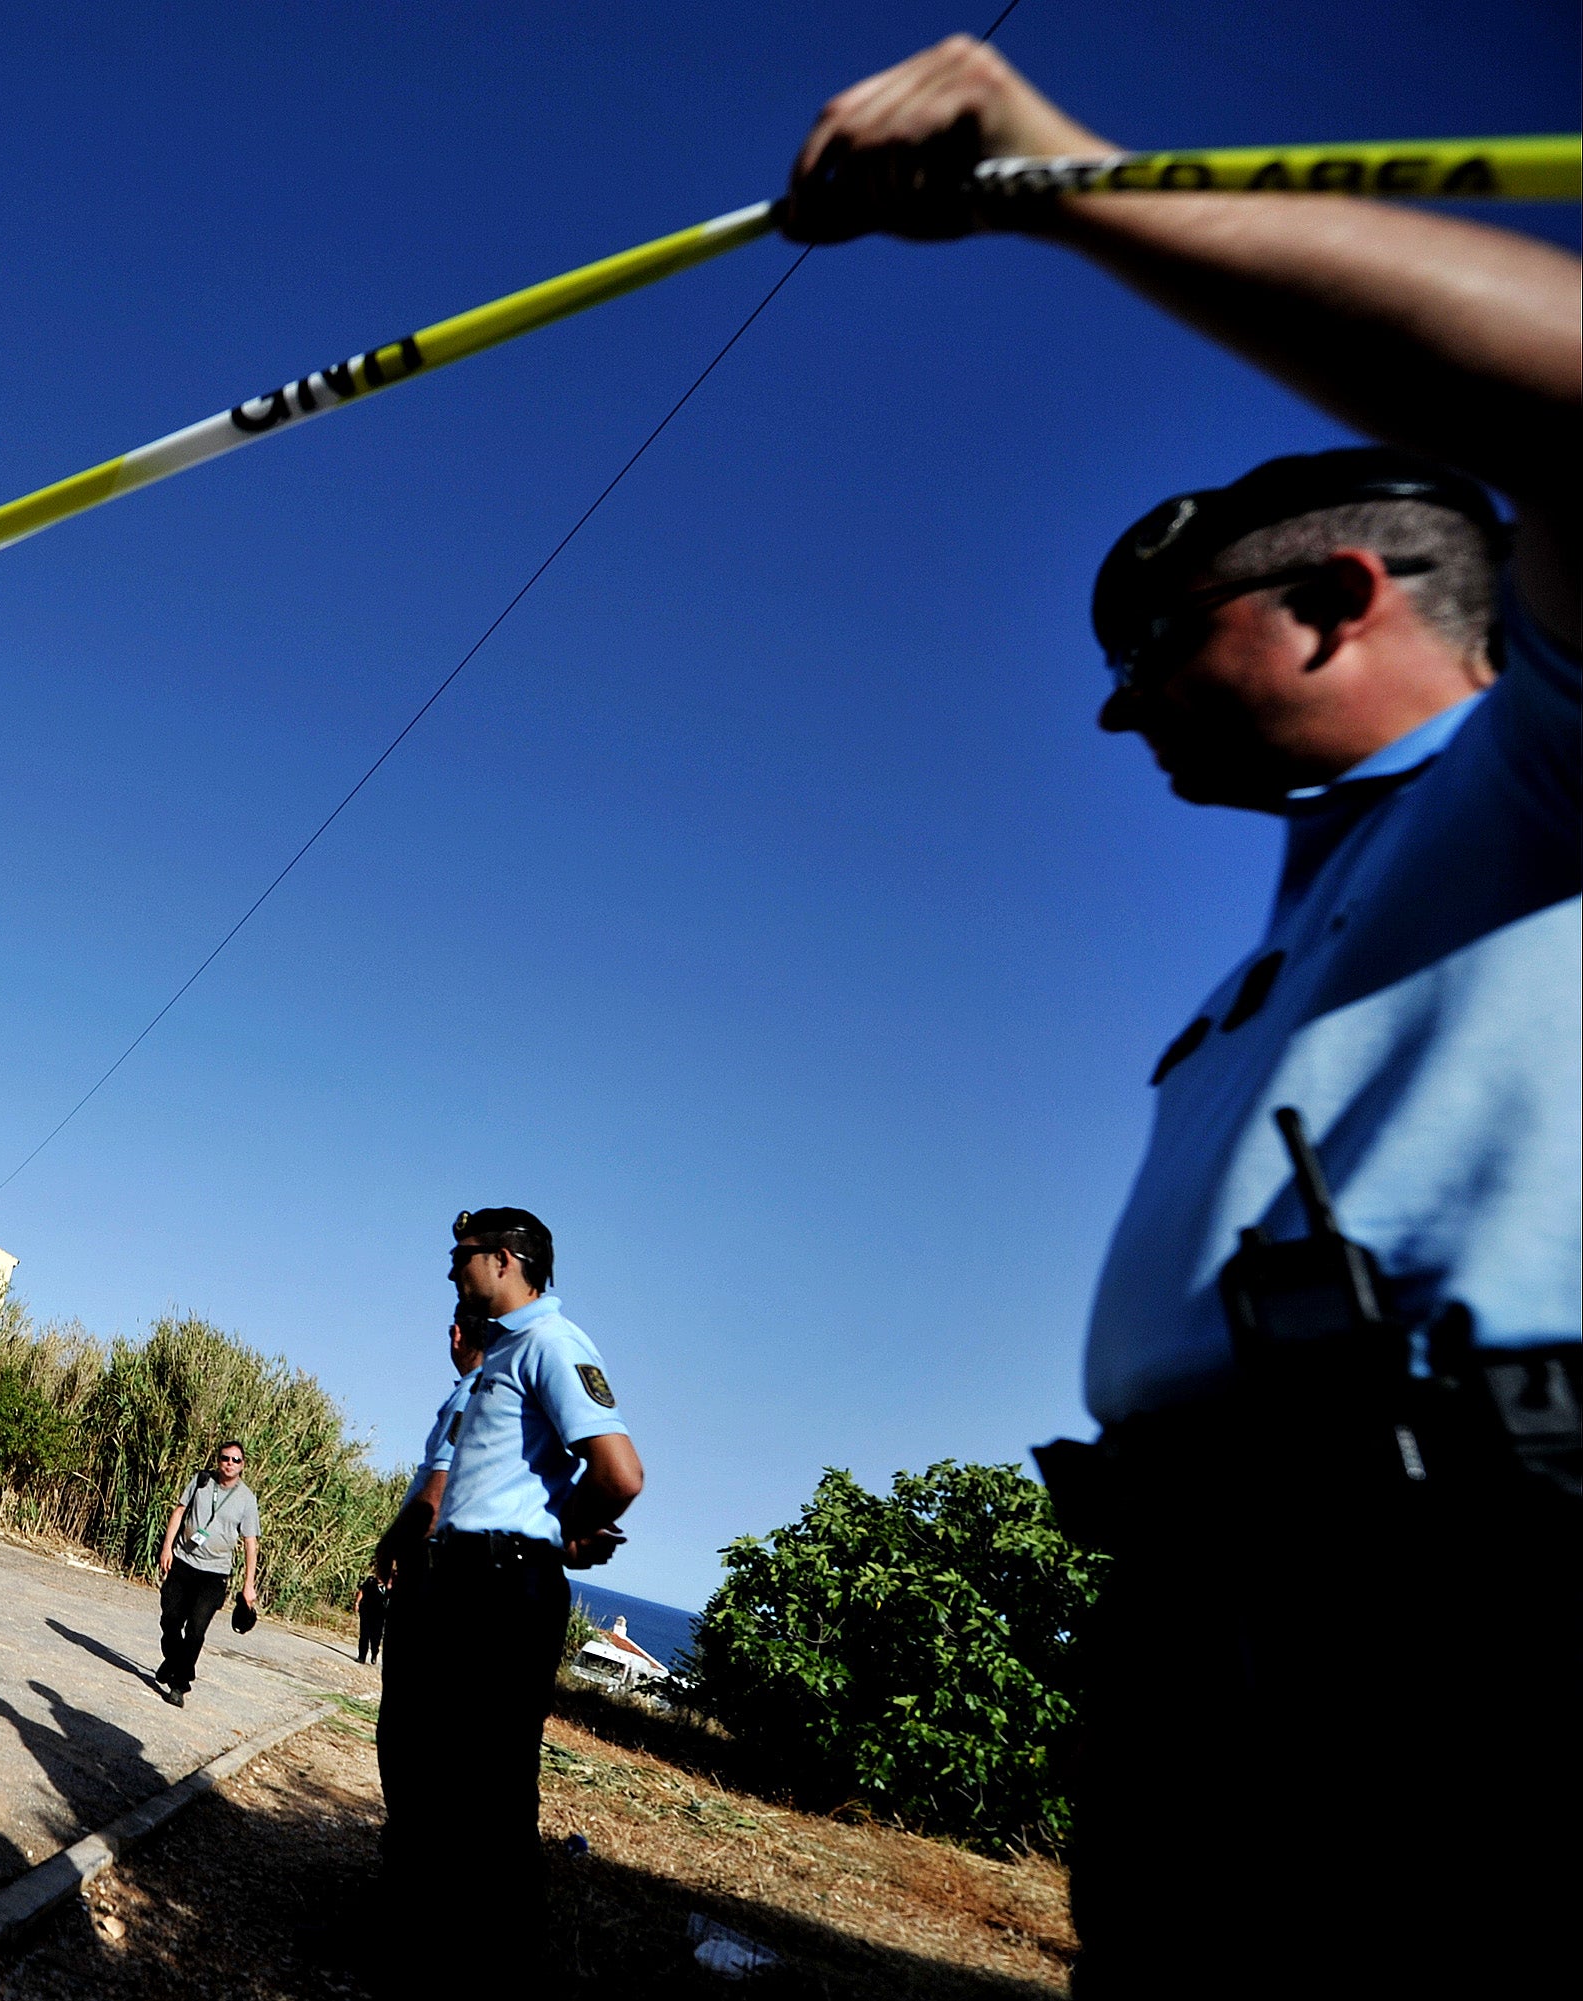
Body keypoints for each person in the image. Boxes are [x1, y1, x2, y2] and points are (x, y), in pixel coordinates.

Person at [782, 39, 1579, 1992]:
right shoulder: (1297, 917)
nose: (1122, 711)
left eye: (1157, 638)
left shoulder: (1551, 766)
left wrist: (1053, 175)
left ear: (1336, 596)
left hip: (1475, 1621)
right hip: (1218, 1623)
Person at [399, 1208, 640, 1985]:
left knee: (495, 1789)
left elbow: (620, 1471)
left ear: (506, 1259)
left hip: (503, 1589)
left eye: (462, 1256)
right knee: (442, 1776)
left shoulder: (551, 1343)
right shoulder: (503, 1352)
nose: (452, 1270)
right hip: (468, 1581)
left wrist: (560, 1532)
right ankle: (436, 1946)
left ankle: (498, 1963)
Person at [369, 1305, 486, 1902]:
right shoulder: (476, 1393)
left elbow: (435, 1493)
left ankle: (407, 1879)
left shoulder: (475, 1396)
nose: (452, 1332)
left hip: (434, 1571)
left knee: (406, 1729)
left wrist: (393, 1546)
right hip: (450, 1575)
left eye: (460, 1323)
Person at [150, 1440, 259, 1708]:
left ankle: (179, 1683)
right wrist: (167, 1549)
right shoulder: (201, 1481)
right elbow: (178, 1512)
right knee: (171, 1620)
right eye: (225, 1458)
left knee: (196, 1630)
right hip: (184, 1562)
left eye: (236, 1460)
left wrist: (249, 1585)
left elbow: (250, 1542)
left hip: (215, 1573)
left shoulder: (246, 1499)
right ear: (218, 1460)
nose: (230, 1464)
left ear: (243, 1465)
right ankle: (174, 1662)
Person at [353, 1570, 386, 1665]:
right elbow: (362, 1591)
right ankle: (361, 1657)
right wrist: (357, 1603)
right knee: (364, 1634)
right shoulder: (370, 1581)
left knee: (376, 1637)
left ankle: (374, 1654)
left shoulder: (389, 1586)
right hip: (367, 1612)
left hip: (380, 1615)